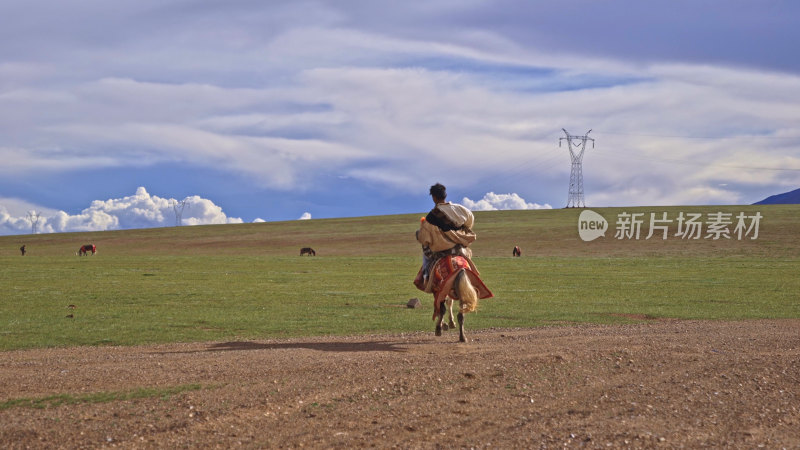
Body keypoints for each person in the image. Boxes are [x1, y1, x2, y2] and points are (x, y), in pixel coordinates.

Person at [414, 183, 478, 292]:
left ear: (433, 197)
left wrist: (418, 234)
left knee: (426, 257)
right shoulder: (460, 209)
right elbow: (470, 221)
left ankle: (426, 278)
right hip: (459, 249)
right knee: (468, 256)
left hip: (441, 252)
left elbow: (424, 238)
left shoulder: (431, 217)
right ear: (445, 195)